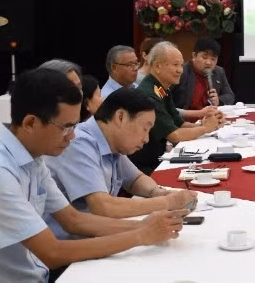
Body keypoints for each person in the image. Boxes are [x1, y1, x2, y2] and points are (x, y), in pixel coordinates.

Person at [0, 68, 186, 283]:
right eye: (66, 127)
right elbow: (52, 252)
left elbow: (73, 219)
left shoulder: (33, 156)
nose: (73, 135)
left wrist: (143, 226)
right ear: (30, 123)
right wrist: (140, 235)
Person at [47, 87, 198, 239]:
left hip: (99, 236)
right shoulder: (79, 143)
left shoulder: (112, 142)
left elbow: (135, 179)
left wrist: (158, 192)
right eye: (145, 129)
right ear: (120, 117)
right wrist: (167, 202)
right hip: (71, 249)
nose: (146, 139)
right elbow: (104, 207)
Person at [129, 41, 224, 174]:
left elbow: (179, 123)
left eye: (181, 64)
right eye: (175, 65)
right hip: (144, 167)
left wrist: (207, 124)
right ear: (157, 66)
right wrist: (206, 128)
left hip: (157, 159)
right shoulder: (150, 95)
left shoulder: (161, 88)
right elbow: (175, 135)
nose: (180, 70)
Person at [171, 37, 235, 113]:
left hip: (209, 117)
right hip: (185, 118)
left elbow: (230, 95)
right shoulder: (181, 71)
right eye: (204, 57)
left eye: (213, 59)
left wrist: (219, 101)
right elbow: (165, 98)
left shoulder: (219, 71)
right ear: (194, 55)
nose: (208, 63)